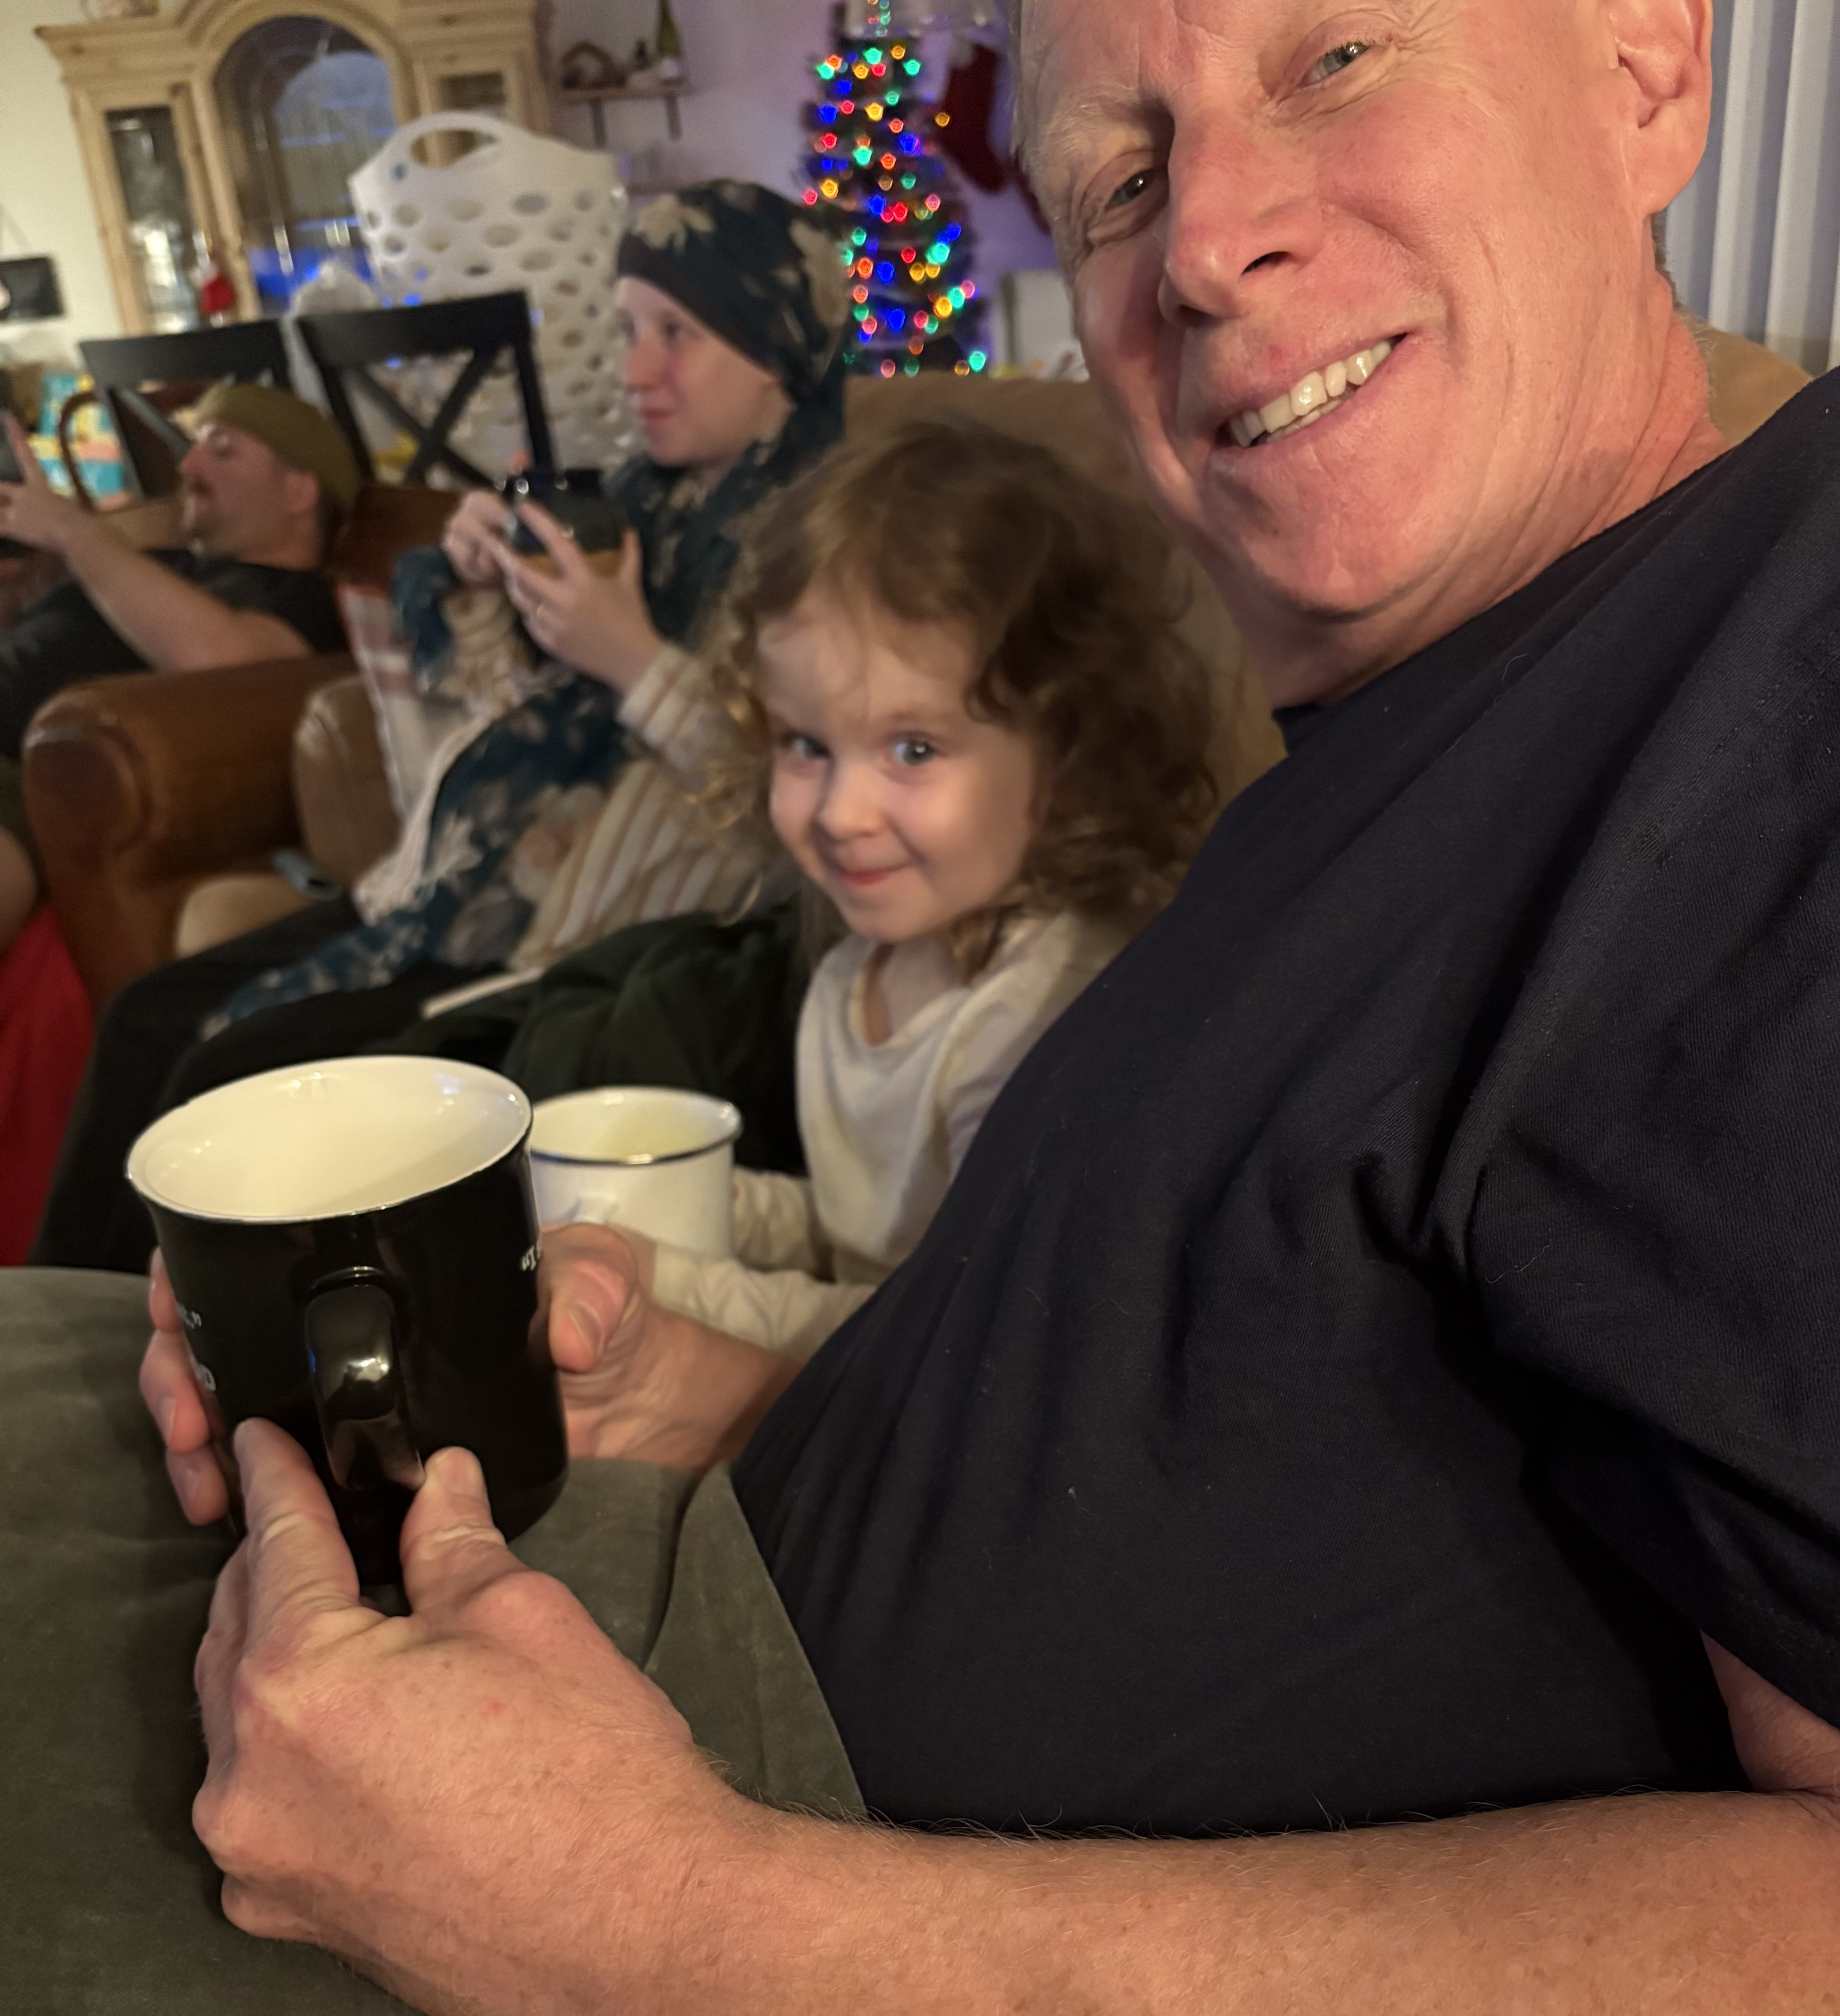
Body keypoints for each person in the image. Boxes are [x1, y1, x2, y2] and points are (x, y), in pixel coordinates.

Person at [13, 0, 1840, 2003]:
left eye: (1331, 59)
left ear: (1643, 66)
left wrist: (662, 1930)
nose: (1200, 240)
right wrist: (725, 1399)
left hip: (728, 1853)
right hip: (649, 1580)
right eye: (1115, 180)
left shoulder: (1764, 685)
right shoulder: (1426, 739)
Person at [31, 180, 852, 1276]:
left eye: (677, 333)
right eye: (627, 330)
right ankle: (47, 1328)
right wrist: (480, 589)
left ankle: (145, 1351)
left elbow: (798, 811)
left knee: (222, 1075)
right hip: (452, 892)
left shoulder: (827, 545)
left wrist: (632, 659)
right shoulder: (627, 509)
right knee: (143, 1015)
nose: (633, 370)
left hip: (572, 939)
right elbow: (495, 721)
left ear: (773, 349)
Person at [626, 420, 1214, 1358]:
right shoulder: (858, 972)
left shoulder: (1042, 1022)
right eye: (805, 744)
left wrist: (667, 1284)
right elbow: (854, 1241)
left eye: (913, 749)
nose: (841, 812)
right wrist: (663, 1204)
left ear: (1068, 752)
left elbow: (951, 1340)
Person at [0, 384, 355, 957]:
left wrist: (75, 531)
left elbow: (222, 665)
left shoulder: (304, 601)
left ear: (299, 491)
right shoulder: (156, 561)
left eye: (223, 450)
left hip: (25, 770)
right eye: (193, 447)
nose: (187, 465)